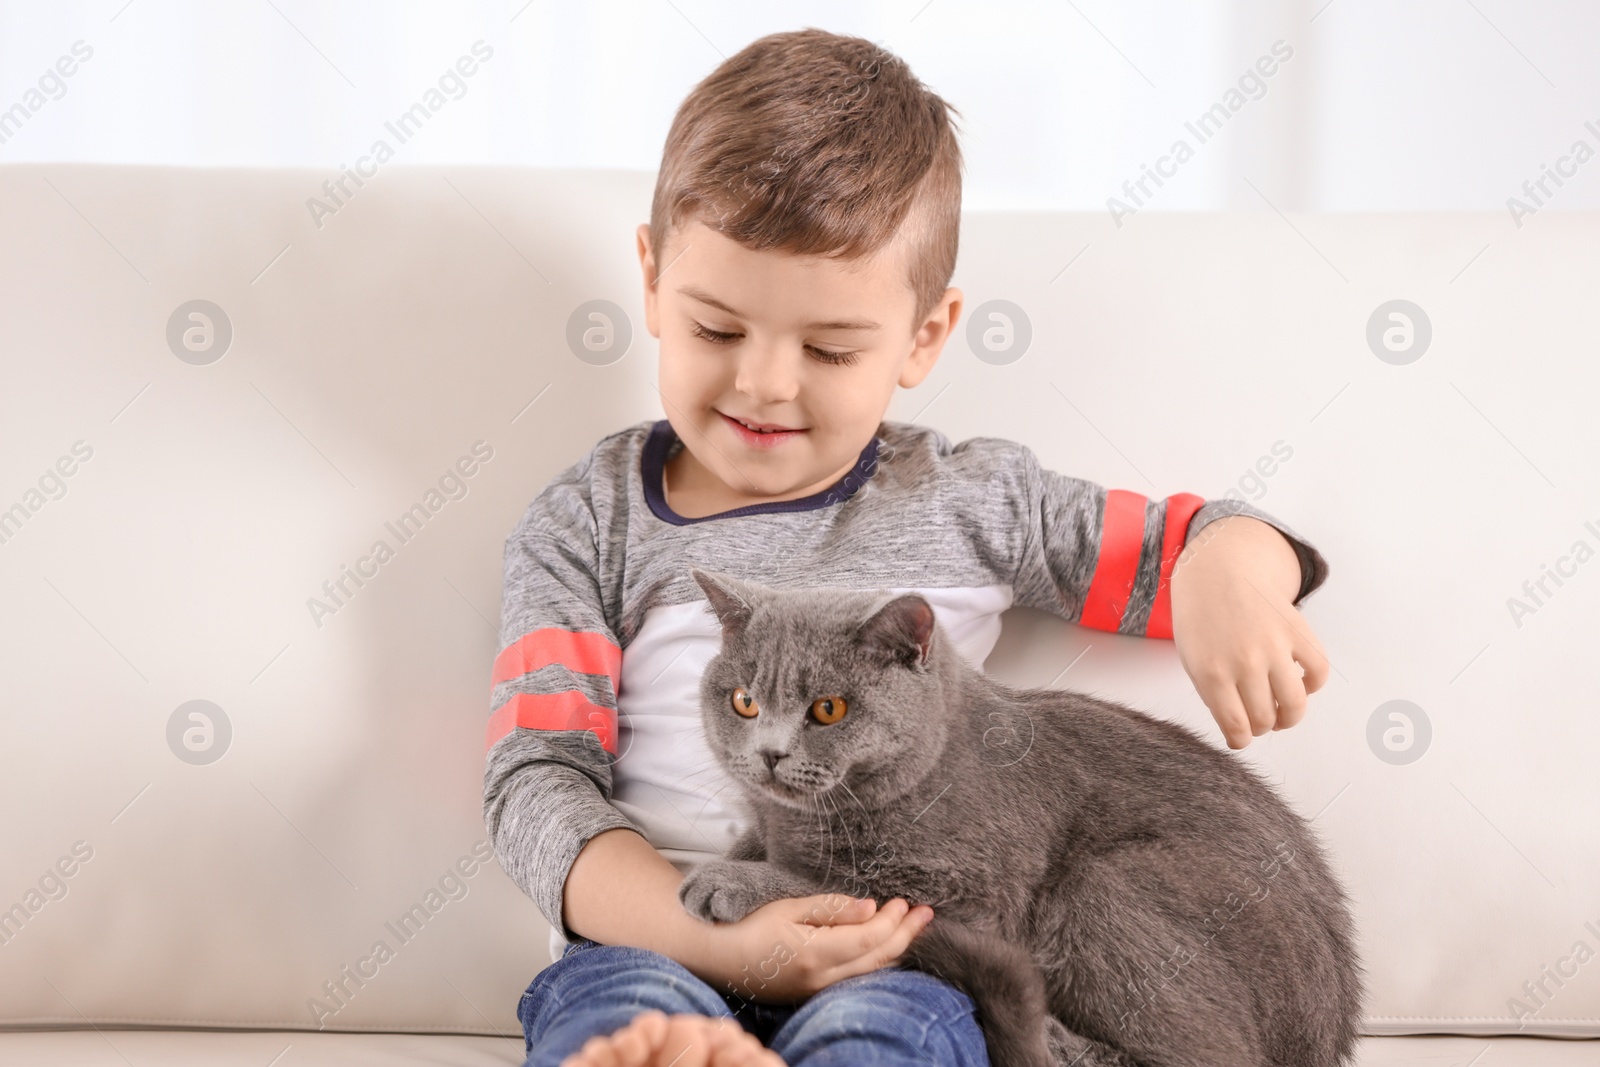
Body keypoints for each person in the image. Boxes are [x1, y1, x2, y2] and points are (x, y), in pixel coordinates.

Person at [486, 27, 1331, 1067]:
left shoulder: (970, 496)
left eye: (829, 348)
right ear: (654, 281)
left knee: (898, 1031)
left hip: (894, 955)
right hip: (656, 937)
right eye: (715, 329)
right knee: (605, 1016)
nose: (763, 383)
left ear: (924, 336)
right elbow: (536, 778)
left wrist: (1230, 569)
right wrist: (700, 929)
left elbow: (1190, 540)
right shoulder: (588, 522)